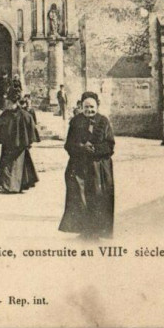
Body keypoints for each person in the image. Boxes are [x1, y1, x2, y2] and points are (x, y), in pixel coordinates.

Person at [59, 91, 115, 239]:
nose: (89, 110)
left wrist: (96, 149)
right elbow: (68, 145)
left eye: (92, 107)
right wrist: (81, 148)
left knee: (98, 197)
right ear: (81, 106)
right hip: (79, 167)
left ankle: (97, 231)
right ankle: (84, 230)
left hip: (98, 168)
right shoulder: (75, 121)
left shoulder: (104, 122)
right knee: (80, 198)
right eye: (86, 107)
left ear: (97, 106)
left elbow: (110, 145)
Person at [0, 87, 39, 194]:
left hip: (19, 145)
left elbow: (30, 126)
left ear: (14, 102)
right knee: (7, 165)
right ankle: (8, 185)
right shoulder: (6, 114)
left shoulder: (23, 114)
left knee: (16, 166)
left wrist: (29, 141)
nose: (6, 104)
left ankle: (13, 186)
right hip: (8, 145)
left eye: (8, 102)